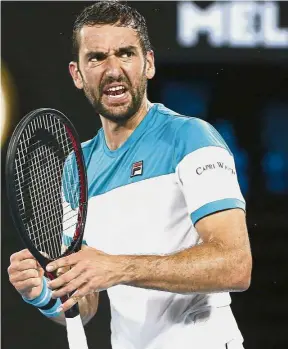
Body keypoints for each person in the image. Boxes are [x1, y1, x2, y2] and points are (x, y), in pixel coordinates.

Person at [7, 1, 252, 348]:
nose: (113, 69)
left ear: (148, 63)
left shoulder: (192, 138)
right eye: (97, 58)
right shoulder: (76, 169)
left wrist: (118, 267)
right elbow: (84, 302)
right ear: (77, 75)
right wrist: (43, 294)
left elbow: (235, 264)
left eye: (125, 53)